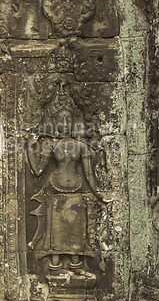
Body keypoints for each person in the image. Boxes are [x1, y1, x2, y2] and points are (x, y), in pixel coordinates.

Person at [27, 107, 109, 275]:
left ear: (73, 124)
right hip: (55, 191)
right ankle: (55, 269)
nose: (65, 124)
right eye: (61, 120)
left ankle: (76, 267)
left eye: (68, 120)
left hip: (76, 191)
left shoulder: (81, 146)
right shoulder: (52, 145)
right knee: (56, 234)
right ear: (55, 124)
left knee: (77, 232)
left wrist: (98, 194)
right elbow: (38, 171)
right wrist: (29, 148)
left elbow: (89, 174)